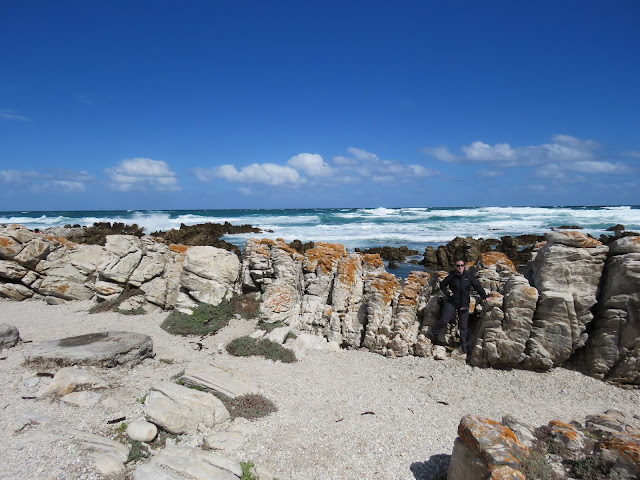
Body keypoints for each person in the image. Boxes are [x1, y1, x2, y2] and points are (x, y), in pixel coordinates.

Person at [426, 259, 488, 353]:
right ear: (455, 267)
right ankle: (430, 335)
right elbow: (442, 285)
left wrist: (484, 297)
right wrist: (447, 293)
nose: (460, 267)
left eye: (462, 265)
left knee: (463, 326)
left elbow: (477, 286)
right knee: (444, 320)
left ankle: (464, 346)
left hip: (464, 303)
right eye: (458, 266)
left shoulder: (469, 276)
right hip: (452, 302)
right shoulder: (452, 275)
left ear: (464, 266)